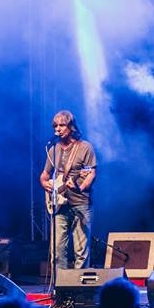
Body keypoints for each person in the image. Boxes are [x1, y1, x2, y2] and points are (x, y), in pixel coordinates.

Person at [40, 110, 97, 269]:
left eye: (62, 125)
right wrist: (44, 183)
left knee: (81, 251)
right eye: (55, 126)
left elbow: (91, 173)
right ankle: (60, 283)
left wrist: (80, 187)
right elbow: (45, 174)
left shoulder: (85, 147)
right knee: (57, 250)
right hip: (59, 205)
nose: (57, 129)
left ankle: (79, 283)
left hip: (81, 203)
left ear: (71, 126)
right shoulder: (53, 149)